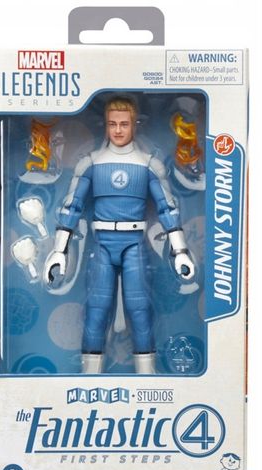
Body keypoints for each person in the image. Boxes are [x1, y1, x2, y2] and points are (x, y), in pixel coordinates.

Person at [45, 96, 195, 374]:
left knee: (140, 309)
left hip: (134, 245)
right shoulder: (90, 164)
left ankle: (147, 375)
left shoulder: (148, 165)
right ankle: (89, 376)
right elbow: (71, 207)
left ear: (134, 125)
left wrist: (180, 251)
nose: (117, 130)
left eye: (124, 124)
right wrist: (59, 251)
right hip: (102, 244)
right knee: (96, 309)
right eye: (112, 124)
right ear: (105, 125)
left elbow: (167, 208)